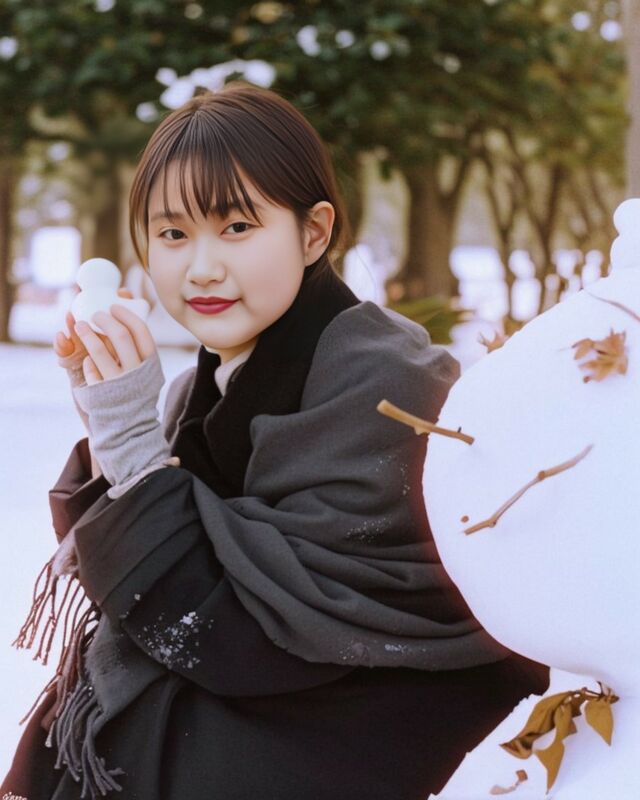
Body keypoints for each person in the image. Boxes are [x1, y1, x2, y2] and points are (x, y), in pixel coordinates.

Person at [1, 82, 549, 800]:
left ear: (313, 233)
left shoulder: (388, 383)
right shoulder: (199, 388)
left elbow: (237, 637)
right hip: (276, 688)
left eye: (236, 227)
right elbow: (167, 600)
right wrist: (111, 424)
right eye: (172, 235)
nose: (201, 267)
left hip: (393, 713)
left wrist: (134, 444)